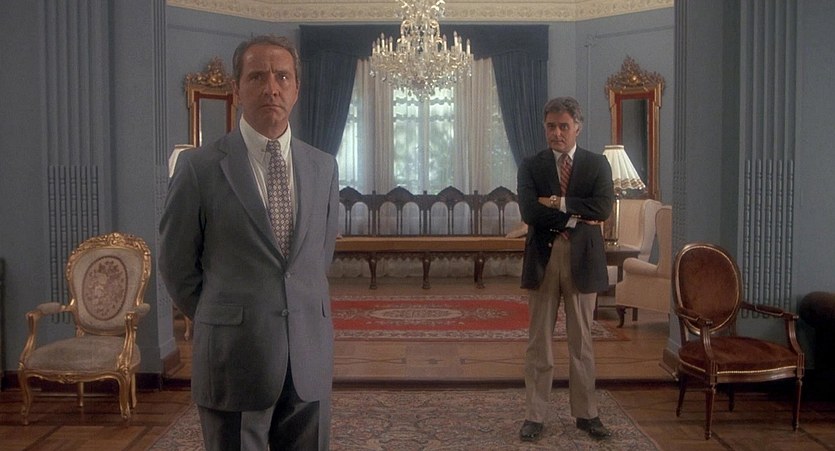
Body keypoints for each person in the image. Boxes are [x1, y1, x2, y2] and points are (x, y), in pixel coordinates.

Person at [159, 35, 339, 450]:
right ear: (237, 88)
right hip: (233, 358)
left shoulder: (323, 167)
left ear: (296, 88)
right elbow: (176, 265)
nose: (271, 88)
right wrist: (224, 318)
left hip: (308, 355)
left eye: (282, 77)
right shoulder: (198, 168)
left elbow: (318, 257)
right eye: (257, 76)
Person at [516, 96, 614, 442]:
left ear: (577, 128)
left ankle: (587, 414)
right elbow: (530, 212)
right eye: (550, 126)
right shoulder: (531, 165)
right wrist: (577, 216)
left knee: (582, 341)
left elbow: (603, 208)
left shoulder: (597, 164)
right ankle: (534, 415)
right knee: (538, 342)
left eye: (563, 126)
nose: (556, 133)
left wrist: (558, 203)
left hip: (582, 259)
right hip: (543, 258)